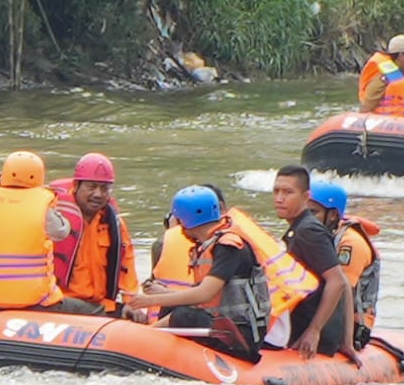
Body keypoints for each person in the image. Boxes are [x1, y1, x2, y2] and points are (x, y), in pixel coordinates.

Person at [125, 186, 268, 360]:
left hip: (239, 336)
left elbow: (205, 294)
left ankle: (142, 338)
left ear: (184, 221)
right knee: (173, 306)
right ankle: (156, 346)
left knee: (183, 316)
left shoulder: (228, 247)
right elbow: (208, 297)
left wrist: (150, 300)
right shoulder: (210, 244)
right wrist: (164, 293)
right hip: (223, 324)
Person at [0, 150, 95, 313]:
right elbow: (62, 231)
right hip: (37, 303)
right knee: (95, 311)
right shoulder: (42, 204)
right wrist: (50, 200)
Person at [273, 165, 354, 361]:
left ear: (305, 196)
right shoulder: (298, 228)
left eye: (288, 192)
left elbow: (338, 282)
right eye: (276, 191)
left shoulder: (309, 231)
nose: (279, 198)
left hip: (309, 333)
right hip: (301, 325)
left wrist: (314, 331)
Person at [51, 152, 139, 315]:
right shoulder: (54, 216)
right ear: (76, 186)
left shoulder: (113, 223)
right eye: (91, 187)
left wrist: (130, 303)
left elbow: (127, 263)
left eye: (104, 188)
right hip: (60, 302)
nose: (98, 194)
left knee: (135, 319)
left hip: (99, 304)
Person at [308, 179, 379, 346]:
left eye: (313, 212)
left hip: (351, 323)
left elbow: (342, 289)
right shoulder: (314, 237)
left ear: (332, 215)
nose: (307, 219)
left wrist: (314, 329)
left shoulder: (350, 243)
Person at [358, 34, 404, 116]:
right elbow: (365, 109)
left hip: (403, 123)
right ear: (401, 55)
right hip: (383, 124)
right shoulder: (382, 79)